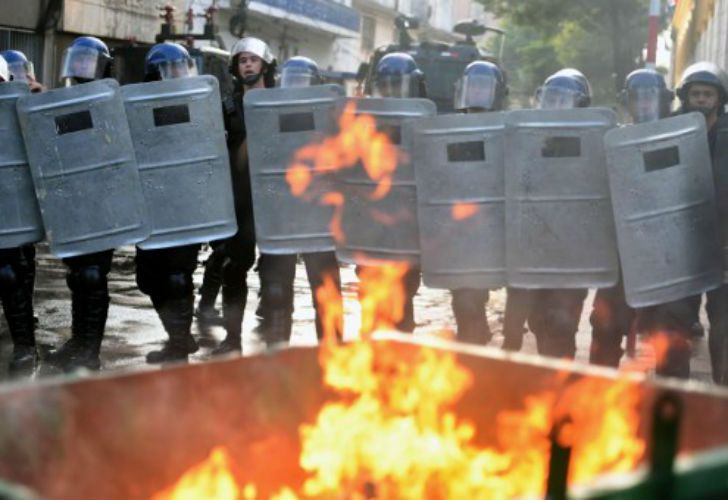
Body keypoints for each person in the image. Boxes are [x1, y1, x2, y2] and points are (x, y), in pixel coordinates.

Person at [639, 61, 728, 380]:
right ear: (684, 97)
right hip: (679, 248)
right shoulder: (667, 131)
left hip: (723, 244)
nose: (702, 99)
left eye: (708, 94)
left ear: (720, 98)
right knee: (672, 324)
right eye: (696, 94)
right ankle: (676, 396)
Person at [254, 56, 343, 345]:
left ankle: (333, 358)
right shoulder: (268, 113)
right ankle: (279, 358)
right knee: (277, 293)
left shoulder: (331, 116)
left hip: (318, 216)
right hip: (282, 214)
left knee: (326, 293)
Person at [588, 68, 673, 368]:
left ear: (663, 100)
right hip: (621, 254)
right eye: (639, 98)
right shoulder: (614, 139)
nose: (645, 104)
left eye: (651, 97)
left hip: (663, 255)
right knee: (605, 326)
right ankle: (598, 396)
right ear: (628, 101)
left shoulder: (673, 138)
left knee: (668, 337)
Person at [45, 37, 116, 371]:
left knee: (92, 275)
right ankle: (79, 341)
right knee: (77, 274)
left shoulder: (111, 101)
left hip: (102, 202)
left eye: (88, 62)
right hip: (72, 201)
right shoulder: (63, 101)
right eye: (78, 61)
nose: (80, 69)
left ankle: (91, 351)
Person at [134, 42, 202, 363]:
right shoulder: (135, 105)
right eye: (168, 69)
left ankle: (177, 346)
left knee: (177, 275)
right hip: (150, 203)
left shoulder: (196, 103)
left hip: (185, 201)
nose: (175, 75)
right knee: (148, 279)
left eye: (179, 68)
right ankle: (181, 337)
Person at [211, 37, 277, 355]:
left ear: (264, 64)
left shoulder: (280, 102)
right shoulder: (227, 105)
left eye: (253, 59)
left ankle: (277, 340)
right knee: (235, 267)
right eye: (242, 60)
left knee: (277, 267)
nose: (247, 64)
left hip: (274, 197)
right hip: (240, 198)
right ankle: (232, 339)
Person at [521, 69, 593, 359]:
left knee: (562, 321)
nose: (556, 107)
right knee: (538, 320)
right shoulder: (527, 137)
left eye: (564, 100)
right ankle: (550, 376)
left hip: (574, 250)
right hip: (536, 246)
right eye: (552, 99)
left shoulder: (591, 140)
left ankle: (563, 384)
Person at [356, 52, 427, 334]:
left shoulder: (422, 121)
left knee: (402, 301)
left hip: (407, 229)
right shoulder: (365, 122)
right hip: (372, 226)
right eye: (386, 85)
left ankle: (400, 363)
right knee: (370, 301)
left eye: (397, 85)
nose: (391, 91)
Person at [449, 60, 508, 344]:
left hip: (491, 233)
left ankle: (474, 353)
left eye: (484, 88)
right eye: (473, 87)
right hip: (459, 233)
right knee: (463, 303)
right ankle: (473, 347)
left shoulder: (507, 131)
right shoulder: (449, 131)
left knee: (471, 302)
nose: (477, 95)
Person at [0, 53, 40, 376]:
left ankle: (25, 345)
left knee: (10, 272)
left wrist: (40, 103)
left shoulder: (25, 104)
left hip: (10, 200)